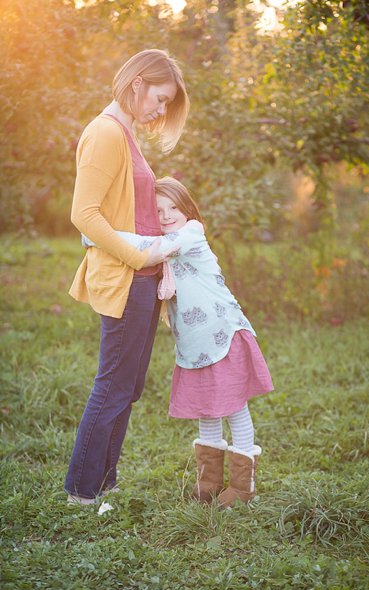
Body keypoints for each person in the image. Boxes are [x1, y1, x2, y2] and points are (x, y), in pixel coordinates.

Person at [84, 177, 274, 506]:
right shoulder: (163, 241)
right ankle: (210, 484)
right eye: (158, 210)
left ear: (187, 209)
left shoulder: (190, 234)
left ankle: (244, 487)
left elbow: (149, 248)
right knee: (207, 408)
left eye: (174, 207)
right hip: (195, 347)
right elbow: (146, 244)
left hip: (223, 336)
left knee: (234, 408)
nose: (167, 214)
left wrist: (99, 237)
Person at [65, 49, 190, 504]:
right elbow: (84, 214)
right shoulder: (104, 132)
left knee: (129, 386)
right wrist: (138, 257)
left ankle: (103, 482)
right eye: (160, 98)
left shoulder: (126, 133)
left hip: (144, 279)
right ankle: (81, 491)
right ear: (137, 83)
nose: (160, 110)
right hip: (127, 277)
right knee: (113, 384)